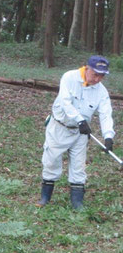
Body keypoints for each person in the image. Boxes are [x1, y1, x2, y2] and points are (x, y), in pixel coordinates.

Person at [38, 55, 115, 210]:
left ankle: (77, 202)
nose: (98, 79)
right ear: (87, 68)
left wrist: (108, 136)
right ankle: (45, 197)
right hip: (59, 127)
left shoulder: (101, 91)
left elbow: (106, 114)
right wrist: (80, 119)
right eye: (95, 74)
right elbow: (65, 101)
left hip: (80, 133)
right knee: (51, 161)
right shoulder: (69, 78)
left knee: (79, 166)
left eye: (102, 76)